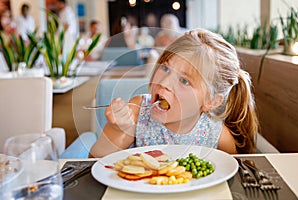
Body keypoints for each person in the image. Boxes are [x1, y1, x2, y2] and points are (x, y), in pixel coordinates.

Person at [89, 29, 258, 158]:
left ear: (211, 101)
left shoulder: (215, 134)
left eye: (184, 81)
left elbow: (234, 175)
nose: (164, 82)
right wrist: (116, 129)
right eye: (165, 68)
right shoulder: (138, 109)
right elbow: (95, 161)